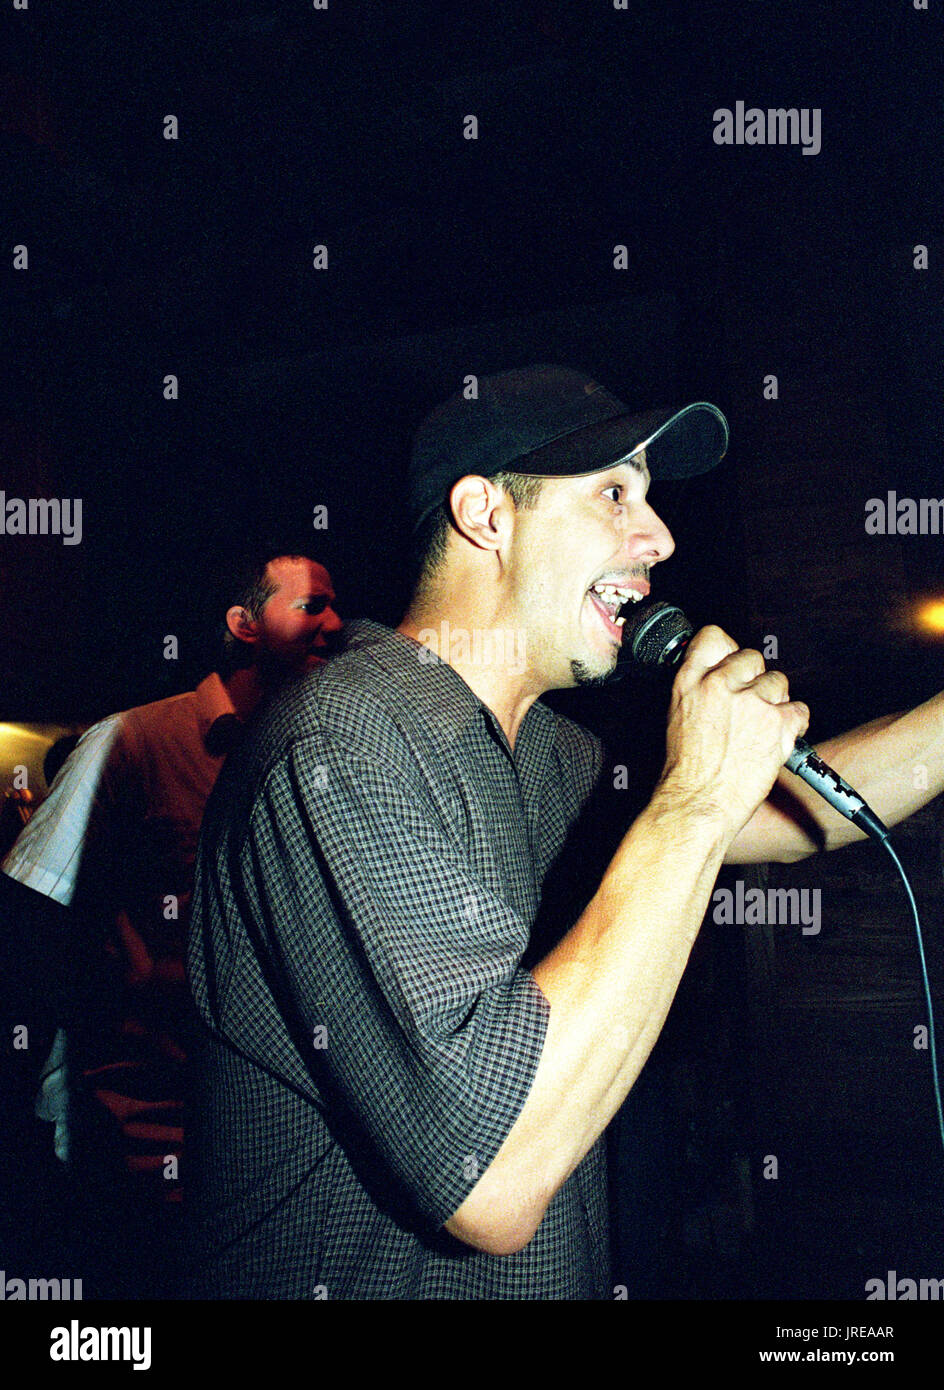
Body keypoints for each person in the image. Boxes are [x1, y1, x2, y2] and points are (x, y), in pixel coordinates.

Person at [187, 365, 944, 1300]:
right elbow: (492, 1175)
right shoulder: (343, 742)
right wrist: (692, 804)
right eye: (615, 494)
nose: (659, 538)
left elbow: (794, 816)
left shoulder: (547, 751)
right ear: (487, 517)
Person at [1, 550, 342, 1298]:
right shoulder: (134, 742)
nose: (335, 623)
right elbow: (32, 912)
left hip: (268, 1146)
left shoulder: (310, 758)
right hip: (140, 1140)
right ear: (243, 624)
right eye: (311, 605)